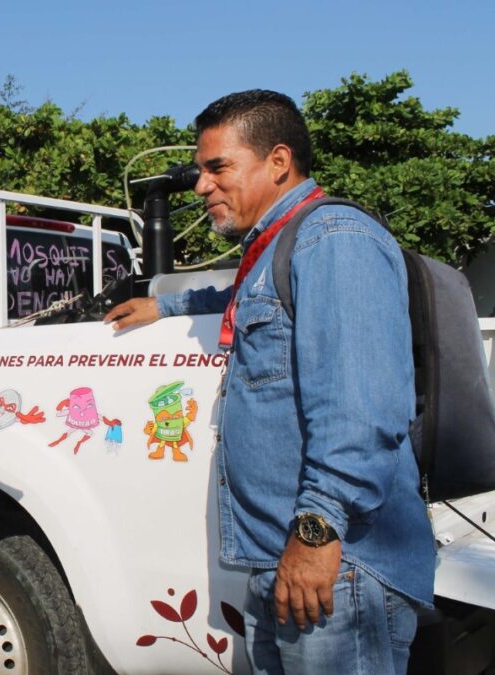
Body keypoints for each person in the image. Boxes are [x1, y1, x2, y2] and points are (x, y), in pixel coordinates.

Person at [104, 90, 434, 674]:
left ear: (278, 162)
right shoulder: (276, 248)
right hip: (283, 563)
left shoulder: (334, 239)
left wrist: (315, 534)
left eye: (217, 167)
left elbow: (361, 412)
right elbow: (240, 297)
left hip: (337, 567)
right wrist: (166, 305)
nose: (201, 186)